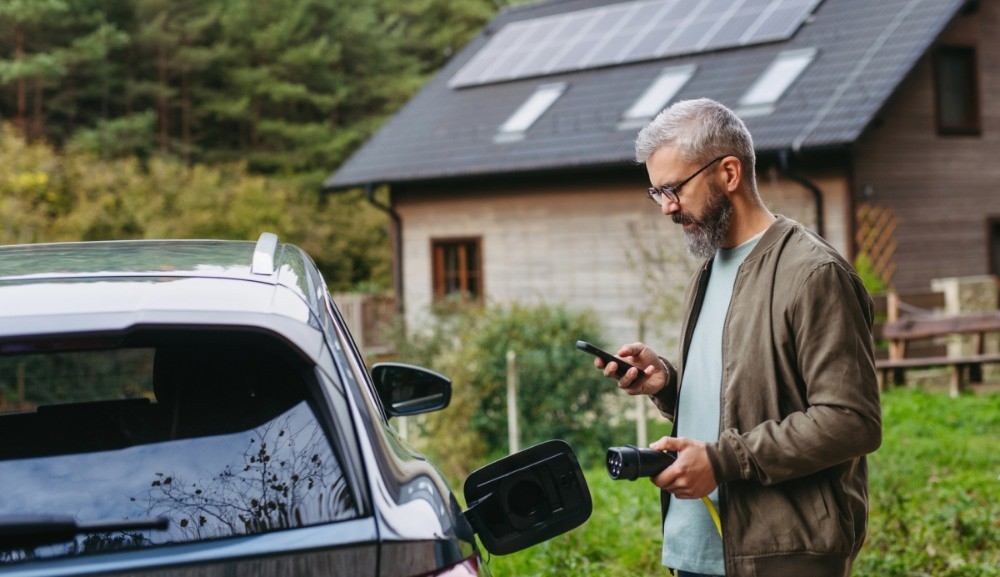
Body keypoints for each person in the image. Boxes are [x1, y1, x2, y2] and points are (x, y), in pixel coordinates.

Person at [592, 98, 882, 577]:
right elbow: (743, 394)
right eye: (656, 193)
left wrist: (724, 460)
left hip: (783, 553)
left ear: (729, 172)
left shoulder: (813, 273)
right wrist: (666, 382)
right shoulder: (708, 270)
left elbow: (851, 420)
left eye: (673, 188)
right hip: (696, 549)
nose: (666, 207)